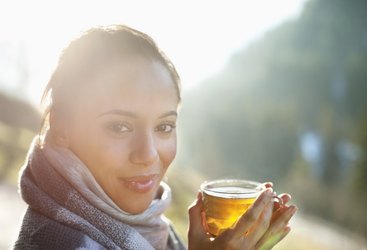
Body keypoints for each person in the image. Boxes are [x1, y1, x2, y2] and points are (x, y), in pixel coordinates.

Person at [14, 24, 296, 250]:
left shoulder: (153, 230)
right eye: (120, 127)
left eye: (164, 127)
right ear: (62, 127)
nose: (148, 154)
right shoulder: (57, 244)